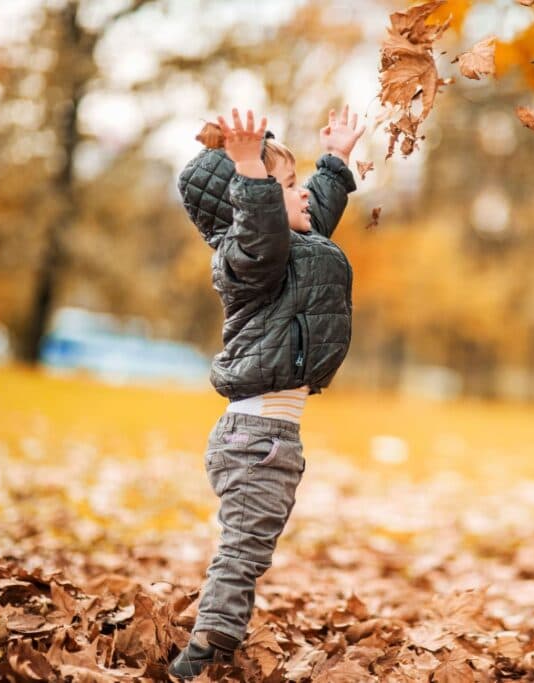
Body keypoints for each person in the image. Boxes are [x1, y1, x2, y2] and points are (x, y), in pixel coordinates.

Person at [168, 106, 365, 679]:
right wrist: (252, 167)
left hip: (268, 438)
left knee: (250, 547)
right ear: (248, 202)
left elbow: (310, 213)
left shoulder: (293, 253)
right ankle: (204, 653)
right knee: (245, 550)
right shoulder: (249, 259)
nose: (304, 195)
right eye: (290, 186)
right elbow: (261, 225)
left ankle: (213, 642)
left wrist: (338, 158)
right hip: (257, 441)